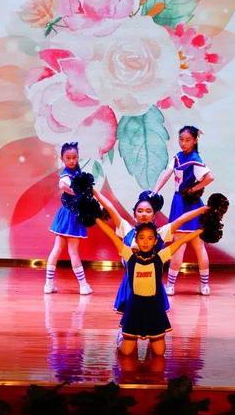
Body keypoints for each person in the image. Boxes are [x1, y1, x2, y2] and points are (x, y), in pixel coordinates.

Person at [94, 219, 205, 356]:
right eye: (141, 238)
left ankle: (150, 339)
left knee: (159, 353)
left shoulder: (161, 256)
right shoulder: (129, 255)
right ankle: (121, 338)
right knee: (126, 352)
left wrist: (202, 229)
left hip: (154, 308)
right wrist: (96, 218)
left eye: (150, 238)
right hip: (134, 307)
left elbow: (182, 240)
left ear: (155, 241)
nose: (145, 242)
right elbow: (111, 234)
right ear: (136, 240)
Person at [151, 126, 214, 295]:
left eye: (187, 140)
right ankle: (177, 285)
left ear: (195, 141)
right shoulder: (178, 157)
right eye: (181, 139)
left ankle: (197, 285)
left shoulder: (194, 159)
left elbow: (210, 177)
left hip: (187, 203)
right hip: (183, 203)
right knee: (186, 246)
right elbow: (166, 174)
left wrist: (193, 190)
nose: (183, 143)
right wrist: (155, 191)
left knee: (189, 246)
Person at [44, 142, 92, 295]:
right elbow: (62, 185)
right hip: (70, 215)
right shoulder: (66, 174)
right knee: (70, 251)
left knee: (59, 249)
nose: (72, 160)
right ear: (62, 159)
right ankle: (82, 285)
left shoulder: (77, 173)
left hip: (70, 214)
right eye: (68, 158)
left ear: (78, 157)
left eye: (74, 157)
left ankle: (49, 285)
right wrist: (77, 193)